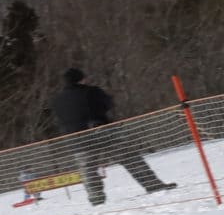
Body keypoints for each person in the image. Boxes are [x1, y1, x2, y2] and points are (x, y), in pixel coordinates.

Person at [50, 67, 174, 205]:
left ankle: (96, 199)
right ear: (81, 79)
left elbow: (60, 119)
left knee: (87, 170)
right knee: (130, 159)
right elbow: (107, 105)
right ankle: (153, 185)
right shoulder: (91, 91)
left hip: (76, 139)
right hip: (102, 132)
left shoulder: (57, 100)